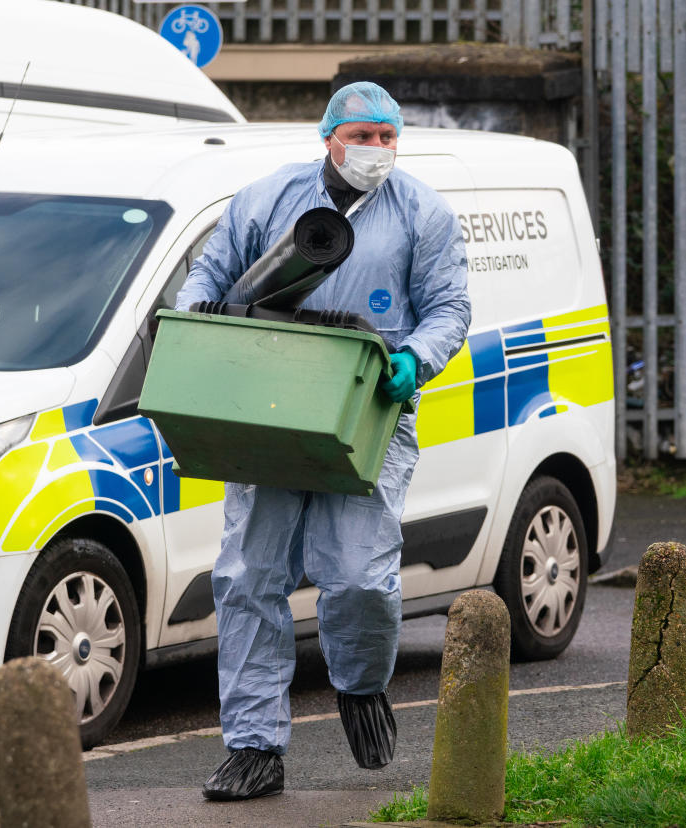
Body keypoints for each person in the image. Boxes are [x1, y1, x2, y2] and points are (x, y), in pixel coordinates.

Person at [175, 82, 471, 801]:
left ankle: (361, 684)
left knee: (359, 579)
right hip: (266, 406)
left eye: (386, 137)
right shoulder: (267, 200)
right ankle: (252, 747)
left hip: (367, 411)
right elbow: (206, 276)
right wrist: (195, 326)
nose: (374, 150)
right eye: (361, 136)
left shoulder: (421, 213)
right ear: (328, 136)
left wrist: (413, 360)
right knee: (249, 578)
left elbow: (448, 306)